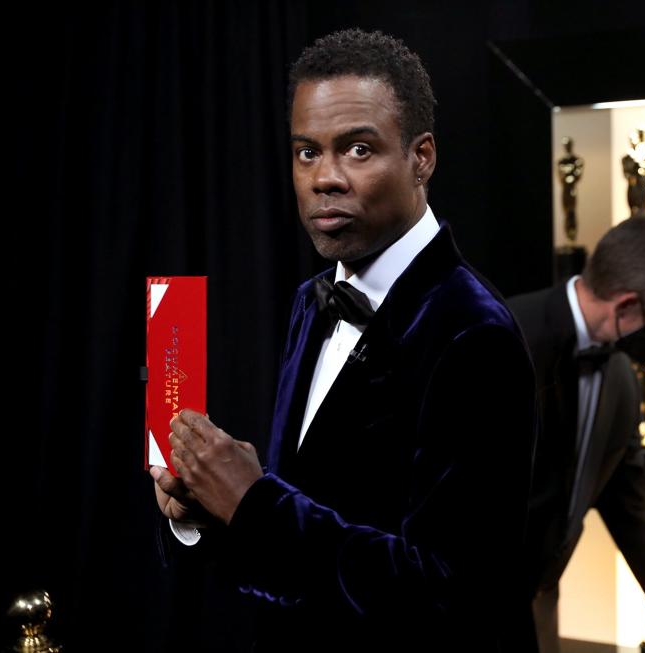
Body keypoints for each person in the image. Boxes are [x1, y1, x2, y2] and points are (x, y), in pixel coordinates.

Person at [150, 29, 539, 652]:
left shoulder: (474, 331)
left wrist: (253, 503)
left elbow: (453, 595)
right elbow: (304, 542)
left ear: (422, 158)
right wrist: (209, 513)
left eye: (358, 149)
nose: (324, 178)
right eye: (307, 152)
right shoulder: (313, 300)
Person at [508, 215, 645, 653]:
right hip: (460, 610)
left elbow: (628, 504)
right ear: (627, 306)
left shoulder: (621, 376)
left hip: (540, 603)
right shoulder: (500, 336)